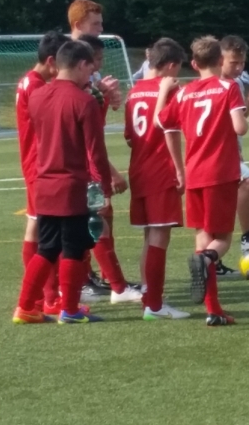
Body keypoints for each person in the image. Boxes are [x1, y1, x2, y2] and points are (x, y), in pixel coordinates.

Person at [12, 40, 112, 324]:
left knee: (46, 247)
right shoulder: (84, 102)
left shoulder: (38, 96)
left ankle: (25, 307)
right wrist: (103, 189)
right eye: (89, 69)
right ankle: (69, 309)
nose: (90, 75)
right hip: (71, 185)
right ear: (81, 65)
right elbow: (96, 152)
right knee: (74, 248)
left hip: (44, 182)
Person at [157, 36, 248, 326]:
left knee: (202, 236)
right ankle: (208, 259)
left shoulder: (184, 93)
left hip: (194, 173)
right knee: (222, 239)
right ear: (221, 60)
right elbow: (240, 128)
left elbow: (162, 121)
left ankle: (213, 310)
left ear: (194, 64)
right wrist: (243, 115)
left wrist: (163, 93)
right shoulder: (228, 87)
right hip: (221, 173)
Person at [124, 38, 190, 320]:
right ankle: (154, 305)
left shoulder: (134, 91)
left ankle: (149, 297)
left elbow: (130, 137)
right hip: (160, 170)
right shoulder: (170, 90)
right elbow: (170, 131)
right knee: (159, 237)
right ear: (171, 65)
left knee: (149, 237)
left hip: (138, 170)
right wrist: (179, 169)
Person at [78, 34, 141, 304]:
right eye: (96, 59)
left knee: (93, 222)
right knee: (89, 224)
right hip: (77, 169)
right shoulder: (79, 94)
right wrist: (109, 175)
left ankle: (106, 283)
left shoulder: (85, 90)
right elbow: (88, 141)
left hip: (78, 168)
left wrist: (104, 98)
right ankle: (98, 285)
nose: (98, 65)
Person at [15, 31, 66, 314]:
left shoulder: (28, 80)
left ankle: (41, 297)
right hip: (41, 164)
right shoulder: (36, 86)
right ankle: (47, 297)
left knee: (36, 227)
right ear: (51, 61)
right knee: (46, 232)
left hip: (34, 162)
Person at [220, 36, 249, 262]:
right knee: (247, 179)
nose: (239, 68)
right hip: (219, 153)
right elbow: (235, 126)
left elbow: (238, 117)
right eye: (233, 62)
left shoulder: (235, 83)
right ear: (220, 60)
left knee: (219, 207)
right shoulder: (220, 85)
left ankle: (213, 263)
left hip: (228, 151)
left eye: (242, 62)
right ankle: (247, 235)